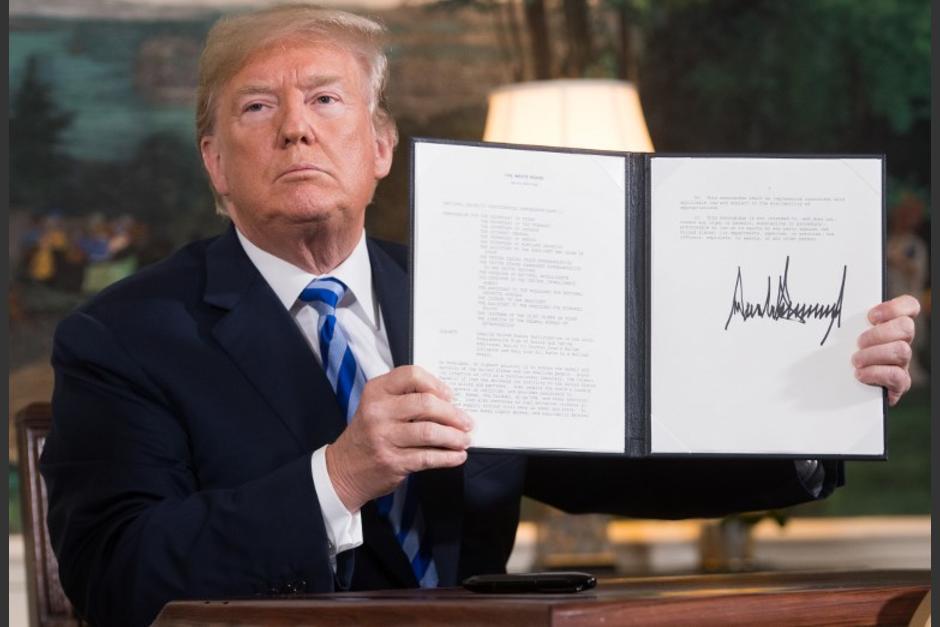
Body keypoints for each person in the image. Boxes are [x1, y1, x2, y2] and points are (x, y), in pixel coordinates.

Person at [40, 6, 921, 627]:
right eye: (258, 108)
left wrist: (817, 405)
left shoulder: (477, 289)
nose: (296, 131)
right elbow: (118, 581)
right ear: (215, 163)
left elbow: (623, 459)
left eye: (325, 98)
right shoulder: (123, 338)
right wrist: (336, 477)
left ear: (380, 146)